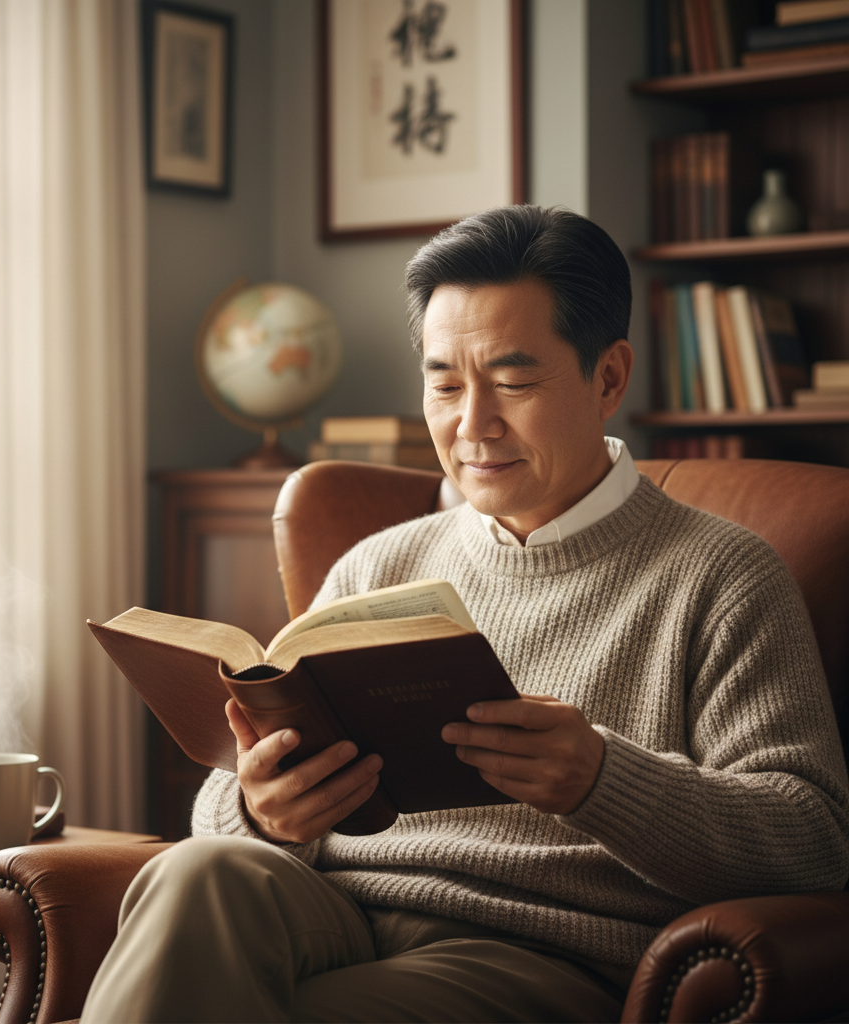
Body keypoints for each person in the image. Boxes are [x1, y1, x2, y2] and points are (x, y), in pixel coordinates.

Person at [80, 206, 849, 1023]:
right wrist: (258, 809)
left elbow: (812, 841)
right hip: (333, 910)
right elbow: (228, 806)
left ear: (609, 378)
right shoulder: (380, 563)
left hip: (540, 950)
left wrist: (600, 778)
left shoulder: (722, 577)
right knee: (192, 872)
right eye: (444, 383)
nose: (471, 426)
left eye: (513, 383)